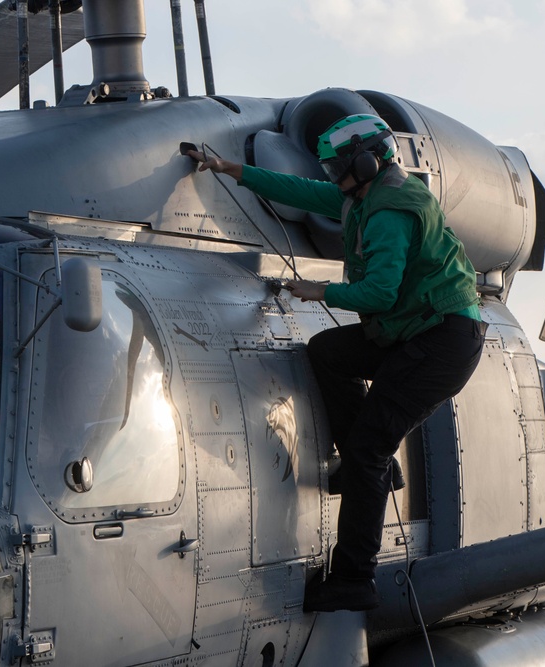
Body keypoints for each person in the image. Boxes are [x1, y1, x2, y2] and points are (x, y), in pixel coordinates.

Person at [188, 114, 485, 612]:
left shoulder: (391, 210)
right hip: (415, 330)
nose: (328, 176)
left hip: (441, 342)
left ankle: (353, 579)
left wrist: (317, 290)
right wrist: (227, 168)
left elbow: (381, 292)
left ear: (365, 163)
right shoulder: (364, 196)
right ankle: (365, 470)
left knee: (370, 447)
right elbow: (299, 191)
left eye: (335, 167)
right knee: (329, 352)